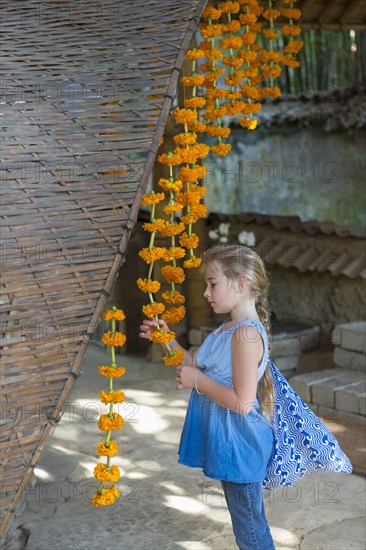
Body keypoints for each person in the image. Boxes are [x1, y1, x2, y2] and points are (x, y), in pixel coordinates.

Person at [140, 244, 276, 550]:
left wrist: (197, 382)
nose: (205, 292)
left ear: (241, 283)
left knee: (250, 528)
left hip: (240, 442)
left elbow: (241, 401)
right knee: (245, 519)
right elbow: (192, 363)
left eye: (213, 284)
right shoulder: (228, 329)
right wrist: (166, 339)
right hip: (230, 440)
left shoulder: (246, 335)